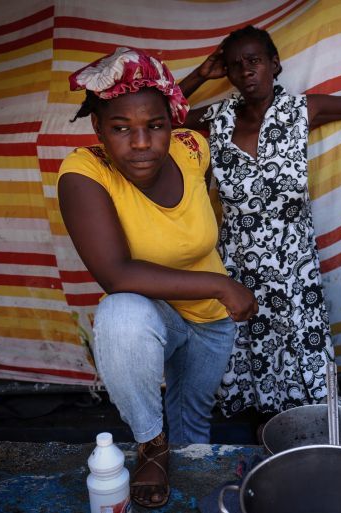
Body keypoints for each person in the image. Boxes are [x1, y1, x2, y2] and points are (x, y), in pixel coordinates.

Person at [177, 25, 341, 417]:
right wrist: (202, 75)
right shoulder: (216, 121)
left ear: (275, 65)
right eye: (235, 66)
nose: (246, 71)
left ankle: (299, 439)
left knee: (302, 372)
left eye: (254, 61)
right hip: (238, 268)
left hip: (293, 269)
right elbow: (160, 117)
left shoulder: (301, 111)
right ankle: (258, 441)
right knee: (248, 366)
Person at [57, 47, 257, 508]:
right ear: (98, 130)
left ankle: (190, 472)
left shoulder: (191, 149)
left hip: (210, 320)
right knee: (121, 314)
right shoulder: (84, 172)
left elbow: (156, 111)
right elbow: (115, 273)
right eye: (120, 129)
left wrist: (189, 85)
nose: (141, 142)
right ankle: (151, 443)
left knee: (194, 425)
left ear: (172, 124)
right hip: (159, 314)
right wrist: (220, 284)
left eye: (155, 127)